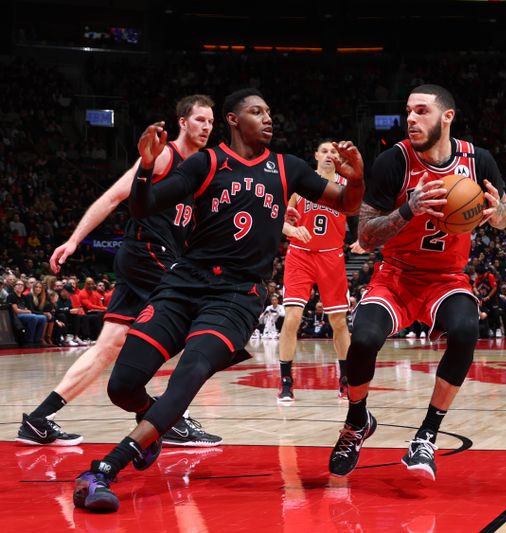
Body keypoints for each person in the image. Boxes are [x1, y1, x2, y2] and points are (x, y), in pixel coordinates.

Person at [73, 87, 364, 513]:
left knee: (190, 372)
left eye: (269, 112)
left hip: (236, 294)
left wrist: (356, 178)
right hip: (183, 284)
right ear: (232, 119)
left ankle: (104, 469)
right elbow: (143, 207)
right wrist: (146, 169)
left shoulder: (289, 167)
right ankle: (154, 425)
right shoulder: (206, 163)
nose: (268, 119)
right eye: (256, 111)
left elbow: (347, 204)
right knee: (122, 386)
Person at [328, 84, 506, 481]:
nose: (411, 118)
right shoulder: (393, 161)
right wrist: (408, 209)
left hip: (446, 277)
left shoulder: (479, 161)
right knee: (362, 339)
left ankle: (427, 435)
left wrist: (498, 214)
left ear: (447, 117)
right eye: (408, 111)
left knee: (465, 329)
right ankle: (357, 421)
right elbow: (366, 234)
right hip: (396, 274)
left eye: (422, 111)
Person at [16, 95, 220, 448]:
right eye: (200, 120)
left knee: (108, 346)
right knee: (199, 323)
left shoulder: (203, 168)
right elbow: (112, 197)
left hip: (148, 258)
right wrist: (74, 241)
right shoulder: (165, 157)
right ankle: (171, 418)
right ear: (182, 123)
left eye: (211, 122)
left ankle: (38, 419)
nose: (206, 127)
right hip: (148, 255)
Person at [278, 140, 354, 402]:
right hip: (300, 256)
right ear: (315, 155)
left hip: (332, 257)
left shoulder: (346, 188)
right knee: (292, 318)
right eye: (325, 151)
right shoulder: (299, 187)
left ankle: (345, 379)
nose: (330, 155)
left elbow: (365, 214)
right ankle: (286, 380)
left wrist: (365, 239)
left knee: (339, 322)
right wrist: (291, 230)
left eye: (334, 151)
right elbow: (279, 219)